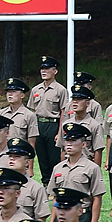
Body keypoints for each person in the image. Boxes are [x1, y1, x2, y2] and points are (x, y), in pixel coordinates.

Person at [50, 124, 105, 222]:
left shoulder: (92, 168)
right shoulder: (58, 168)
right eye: (67, 141)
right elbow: (55, 197)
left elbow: (97, 198)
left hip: (82, 217)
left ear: (83, 144)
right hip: (61, 217)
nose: (69, 144)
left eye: (73, 141)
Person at [31, 56, 69, 184]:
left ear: (55, 71)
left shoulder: (60, 90)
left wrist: (60, 132)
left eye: (47, 68)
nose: (44, 71)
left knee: (53, 157)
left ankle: (56, 183)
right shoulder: (36, 90)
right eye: (42, 68)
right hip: (38, 125)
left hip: (53, 125)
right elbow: (33, 111)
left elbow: (63, 112)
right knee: (42, 157)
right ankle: (46, 183)